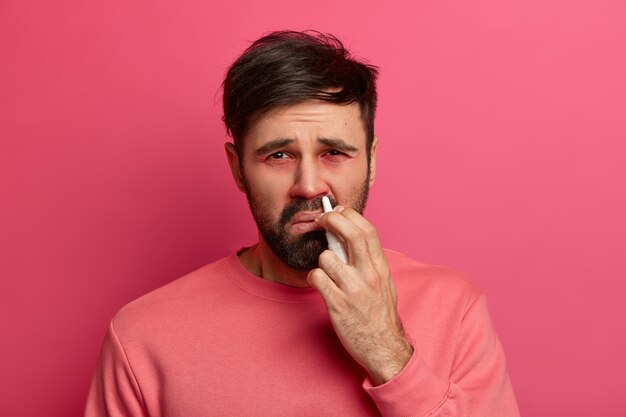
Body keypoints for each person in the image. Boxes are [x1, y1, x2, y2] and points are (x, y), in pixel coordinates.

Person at [85, 31, 520, 417]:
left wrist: (387, 351)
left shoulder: (454, 308)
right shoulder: (143, 336)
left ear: (371, 162)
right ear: (238, 169)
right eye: (279, 155)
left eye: (334, 152)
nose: (308, 186)